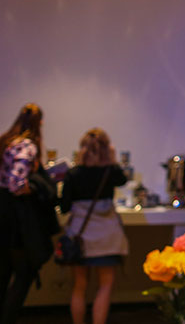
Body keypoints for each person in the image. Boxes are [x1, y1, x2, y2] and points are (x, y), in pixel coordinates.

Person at [60, 128, 128, 324]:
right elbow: (123, 179)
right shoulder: (111, 172)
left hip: (80, 236)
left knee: (79, 286)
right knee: (105, 286)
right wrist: (112, 158)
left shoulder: (73, 174)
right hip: (107, 236)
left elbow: (64, 207)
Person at [0, 103, 58, 324]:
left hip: (3, 215)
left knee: (3, 274)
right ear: (40, 123)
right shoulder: (27, 146)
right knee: (23, 274)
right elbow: (16, 184)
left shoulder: (5, 141)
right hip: (17, 221)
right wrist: (34, 186)